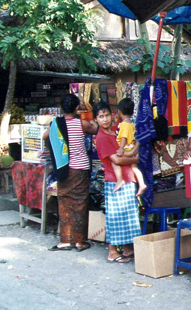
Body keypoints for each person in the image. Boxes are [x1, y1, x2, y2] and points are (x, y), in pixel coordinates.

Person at [43, 94, 98, 252]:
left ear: (61, 108)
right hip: (80, 169)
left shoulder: (55, 124)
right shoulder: (82, 124)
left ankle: (66, 241)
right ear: (76, 108)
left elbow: (45, 137)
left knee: (65, 204)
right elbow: (96, 130)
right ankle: (80, 242)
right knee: (80, 204)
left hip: (63, 168)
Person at [93, 101, 142, 264]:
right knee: (115, 218)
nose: (105, 119)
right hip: (114, 181)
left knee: (128, 216)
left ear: (112, 115)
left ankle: (127, 248)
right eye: (101, 116)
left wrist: (130, 157)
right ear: (96, 119)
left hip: (128, 179)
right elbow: (116, 160)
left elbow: (126, 151)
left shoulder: (116, 131)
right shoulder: (101, 137)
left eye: (107, 115)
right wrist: (134, 158)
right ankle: (113, 252)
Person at [112, 98, 146, 196]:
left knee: (115, 161)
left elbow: (124, 137)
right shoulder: (131, 123)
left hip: (126, 147)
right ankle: (142, 184)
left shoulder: (124, 125)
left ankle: (119, 179)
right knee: (134, 168)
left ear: (119, 111)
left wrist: (121, 148)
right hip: (131, 146)